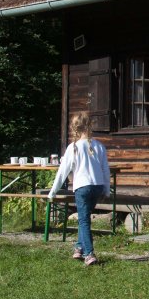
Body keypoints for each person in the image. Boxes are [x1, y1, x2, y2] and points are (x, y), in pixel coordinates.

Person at [48, 112, 111, 266]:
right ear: (90, 126)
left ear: (74, 128)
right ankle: (79, 247)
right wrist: (107, 190)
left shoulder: (73, 147)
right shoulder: (99, 146)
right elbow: (105, 169)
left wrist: (52, 192)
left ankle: (89, 254)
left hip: (82, 187)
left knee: (83, 220)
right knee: (85, 216)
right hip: (97, 186)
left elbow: (62, 171)